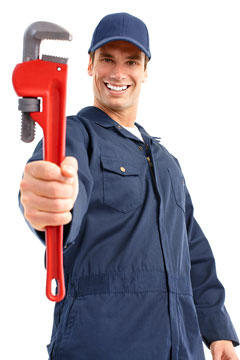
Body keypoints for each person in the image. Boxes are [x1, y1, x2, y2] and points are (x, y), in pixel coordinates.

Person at [19, 12, 239, 360]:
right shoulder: (74, 135)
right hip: (101, 345)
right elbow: (56, 189)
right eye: (107, 59)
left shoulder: (167, 161)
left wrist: (218, 330)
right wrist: (45, 202)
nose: (118, 73)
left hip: (180, 348)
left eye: (131, 61)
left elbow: (193, 248)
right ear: (90, 65)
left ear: (145, 70)